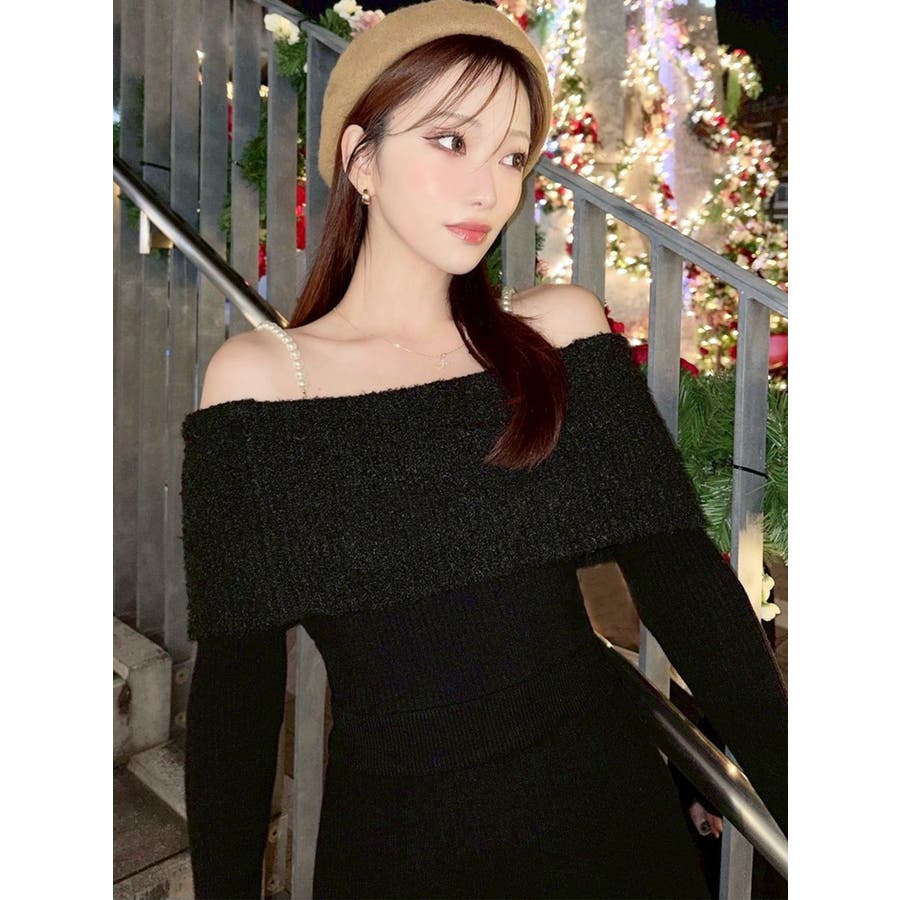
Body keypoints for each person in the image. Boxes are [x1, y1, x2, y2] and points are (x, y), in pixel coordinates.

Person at [180, 2, 788, 897]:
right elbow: (237, 700)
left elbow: (684, 584)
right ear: (360, 159)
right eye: (451, 141)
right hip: (401, 848)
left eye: (511, 156)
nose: (489, 190)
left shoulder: (556, 334)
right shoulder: (263, 382)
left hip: (609, 816)